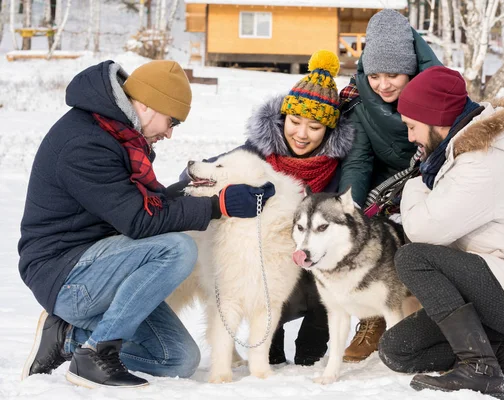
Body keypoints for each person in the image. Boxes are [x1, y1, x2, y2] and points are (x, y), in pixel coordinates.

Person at [18, 60, 274, 388]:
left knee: (178, 358)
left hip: (104, 266)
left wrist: (213, 189)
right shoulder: (86, 143)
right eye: (172, 121)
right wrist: (216, 206)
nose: (169, 132)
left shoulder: (118, 135)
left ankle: (68, 337)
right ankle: (97, 352)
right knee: (177, 249)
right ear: (148, 106)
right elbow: (138, 220)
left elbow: (143, 205)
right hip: (67, 276)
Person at [377, 66, 504, 399]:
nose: (410, 138)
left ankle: (480, 368)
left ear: (437, 120)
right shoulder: (455, 154)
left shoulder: (483, 160)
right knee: (398, 349)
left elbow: (424, 231)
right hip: (499, 280)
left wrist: (413, 186)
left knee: (413, 257)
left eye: (412, 127)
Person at [175, 50, 354, 366]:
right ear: (284, 118)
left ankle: (314, 338)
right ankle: (268, 343)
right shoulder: (257, 152)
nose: (301, 134)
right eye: (295, 121)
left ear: (328, 130)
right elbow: (203, 175)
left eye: (314, 127)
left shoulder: (338, 170)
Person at [337, 8, 442, 363]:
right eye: (376, 75)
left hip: (429, 178)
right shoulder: (361, 98)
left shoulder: (438, 90)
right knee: (366, 236)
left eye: (394, 75)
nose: (383, 85)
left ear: (411, 69)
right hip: (385, 182)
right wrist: (351, 206)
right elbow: (359, 158)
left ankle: (430, 318)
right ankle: (371, 318)